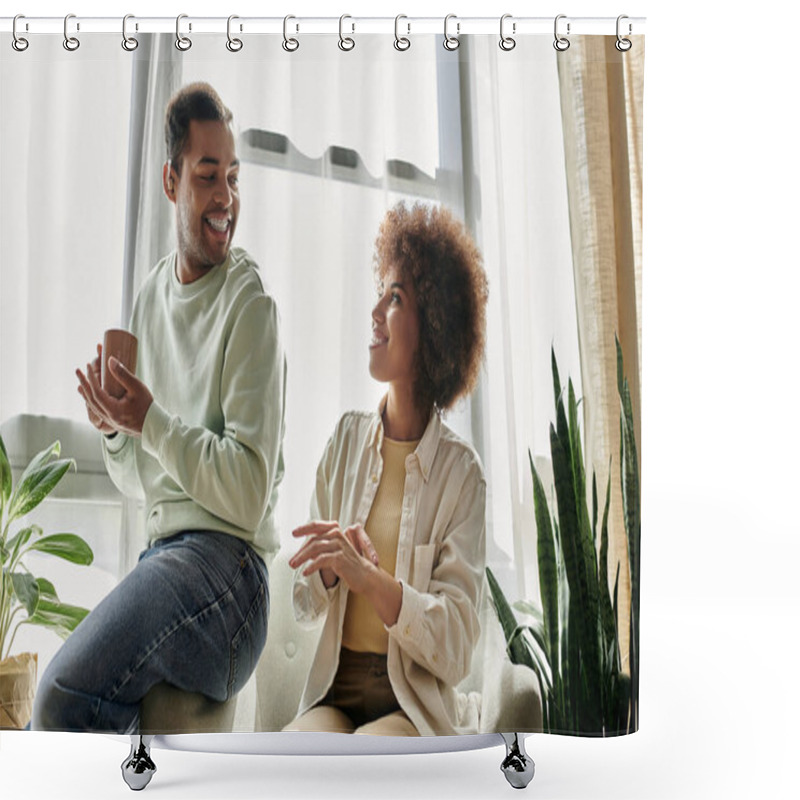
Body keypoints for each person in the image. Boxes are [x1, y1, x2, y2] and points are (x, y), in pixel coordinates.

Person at [31, 82, 286, 733]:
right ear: (171, 182)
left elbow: (249, 493)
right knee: (75, 698)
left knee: (55, 697)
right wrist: (119, 433)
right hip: (166, 561)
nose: (227, 197)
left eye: (233, 177)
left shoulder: (249, 305)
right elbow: (139, 481)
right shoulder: (150, 296)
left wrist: (152, 422)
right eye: (208, 176)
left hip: (230, 580)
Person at [287, 203, 488, 736]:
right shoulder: (345, 442)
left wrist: (373, 582)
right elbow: (304, 603)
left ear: (435, 324)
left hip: (410, 705)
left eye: (394, 297)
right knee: (283, 769)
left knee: (362, 774)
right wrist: (329, 569)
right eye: (380, 292)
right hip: (334, 692)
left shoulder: (462, 477)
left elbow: (458, 644)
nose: (375, 311)